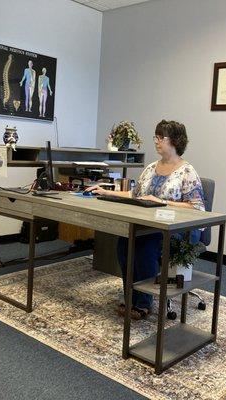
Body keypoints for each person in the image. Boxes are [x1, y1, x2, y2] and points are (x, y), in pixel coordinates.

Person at [86, 120, 205, 319]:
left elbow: (197, 207)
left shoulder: (187, 171)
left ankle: (143, 302)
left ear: (175, 140)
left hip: (177, 230)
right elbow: (136, 195)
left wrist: (161, 201)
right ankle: (131, 297)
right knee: (124, 243)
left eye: (161, 137)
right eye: (156, 137)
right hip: (148, 225)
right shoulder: (151, 168)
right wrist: (105, 191)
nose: (157, 141)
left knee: (144, 246)